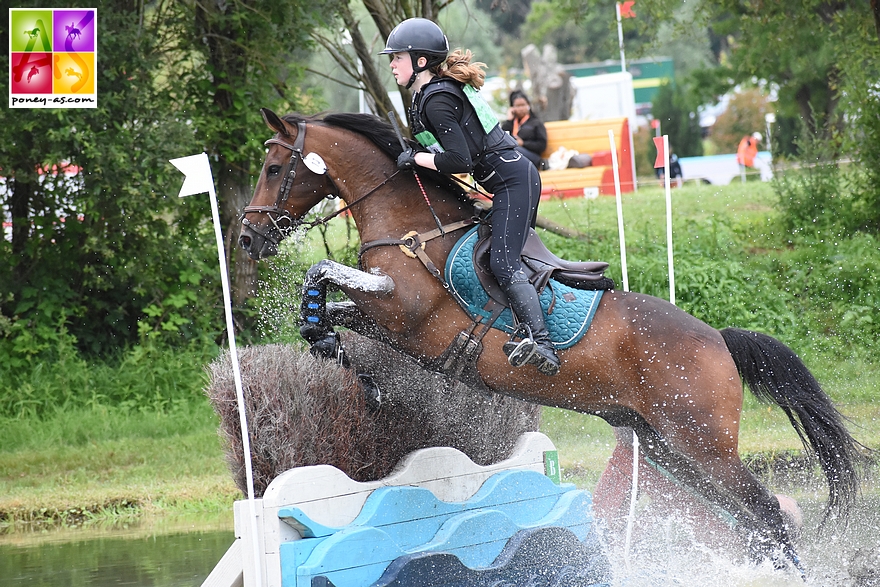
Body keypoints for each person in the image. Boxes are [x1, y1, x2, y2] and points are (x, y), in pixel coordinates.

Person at [380, 17, 560, 376]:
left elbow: (459, 160)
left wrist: (415, 157)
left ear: (419, 61)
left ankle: (544, 343)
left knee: (503, 263)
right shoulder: (426, 96)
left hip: (515, 182)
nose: (391, 64)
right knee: (487, 253)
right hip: (505, 181)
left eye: (397, 57)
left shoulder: (436, 100)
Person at [501, 90, 548, 170]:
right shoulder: (511, 123)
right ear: (512, 108)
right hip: (515, 156)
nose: (521, 108)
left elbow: (542, 145)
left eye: (523, 105)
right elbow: (502, 138)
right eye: (517, 106)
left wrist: (523, 143)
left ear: (528, 105)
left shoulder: (536, 123)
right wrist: (509, 120)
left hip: (533, 156)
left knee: (513, 149)